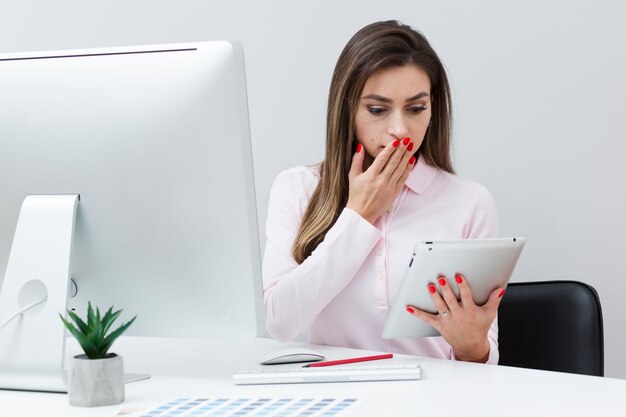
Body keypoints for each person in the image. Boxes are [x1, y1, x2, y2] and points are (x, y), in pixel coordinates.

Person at [262, 20, 504, 363]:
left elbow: (484, 360)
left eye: (416, 108)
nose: (399, 129)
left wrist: (472, 346)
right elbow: (280, 323)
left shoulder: (470, 202)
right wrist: (358, 216)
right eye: (377, 110)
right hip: (335, 396)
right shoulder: (297, 188)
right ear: (348, 112)